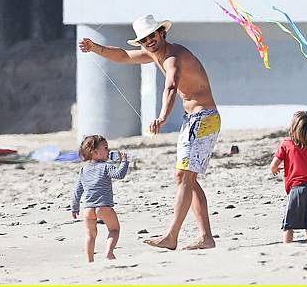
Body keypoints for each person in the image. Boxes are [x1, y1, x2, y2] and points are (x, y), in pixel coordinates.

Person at [78, 14, 220, 250]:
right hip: (195, 120)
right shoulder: (155, 54)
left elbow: (171, 86)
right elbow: (123, 55)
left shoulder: (173, 56)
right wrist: (94, 48)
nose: (149, 41)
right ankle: (206, 237)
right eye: (144, 39)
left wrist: (163, 116)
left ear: (161, 33)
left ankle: (172, 236)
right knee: (185, 178)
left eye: (152, 35)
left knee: (185, 177)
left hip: (203, 118)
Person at [72, 135, 129, 261]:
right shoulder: (106, 166)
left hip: (88, 209)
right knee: (114, 229)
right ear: (95, 152)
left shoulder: (84, 169)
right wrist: (124, 162)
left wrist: (75, 207)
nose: (108, 151)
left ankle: (89, 260)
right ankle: (109, 252)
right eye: (105, 148)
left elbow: (77, 190)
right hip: (103, 207)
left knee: (90, 235)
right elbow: (119, 175)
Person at [269, 111, 307, 244]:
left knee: (289, 224)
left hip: (297, 188)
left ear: (293, 127)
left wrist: (274, 170)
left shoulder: (286, 144)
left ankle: (287, 246)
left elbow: (274, 164)